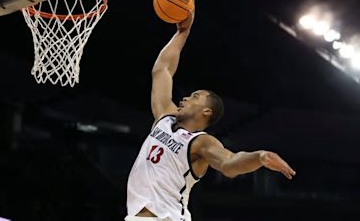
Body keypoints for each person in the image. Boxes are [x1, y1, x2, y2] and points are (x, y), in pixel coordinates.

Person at [125, 12, 296, 221]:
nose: (185, 98)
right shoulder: (164, 118)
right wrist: (183, 32)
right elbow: (162, 70)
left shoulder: (200, 142)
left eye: (194, 96)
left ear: (207, 111)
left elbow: (230, 163)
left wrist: (258, 157)